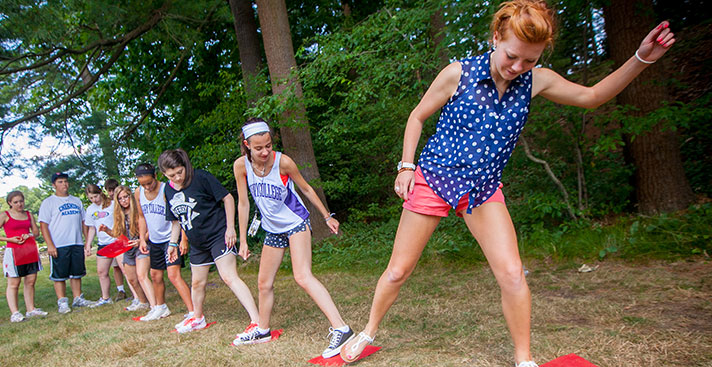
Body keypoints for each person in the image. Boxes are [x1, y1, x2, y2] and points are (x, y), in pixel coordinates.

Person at [339, 1, 676, 366]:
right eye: (512, 56)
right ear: (495, 37)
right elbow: (417, 116)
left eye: (529, 60)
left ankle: (524, 359)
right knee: (399, 270)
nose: (518, 67)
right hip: (435, 178)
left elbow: (592, 97)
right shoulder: (458, 73)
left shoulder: (537, 81)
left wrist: (642, 58)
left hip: (483, 189)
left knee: (513, 273)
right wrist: (406, 167)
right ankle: (368, 331)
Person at [231, 119, 352, 357]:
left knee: (302, 276)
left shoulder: (282, 162)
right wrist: (243, 240)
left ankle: (342, 328)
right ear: (246, 145)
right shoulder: (241, 166)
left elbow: (306, 188)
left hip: (296, 223)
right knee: (263, 283)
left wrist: (327, 216)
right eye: (258, 148)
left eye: (268, 145)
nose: (265, 151)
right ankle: (263, 330)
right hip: (272, 228)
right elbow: (243, 203)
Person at [158, 148, 259, 333]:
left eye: (180, 172)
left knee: (229, 277)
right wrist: (173, 243)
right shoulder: (168, 189)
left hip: (218, 235)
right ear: (164, 174)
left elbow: (228, 199)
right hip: (197, 243)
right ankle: (197, 318)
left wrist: (230, 228)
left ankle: (257, 321)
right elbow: (176, 221)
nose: (177, 178)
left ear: (185, 166)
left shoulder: (201, 177)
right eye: (171, 175)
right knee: (197, 283)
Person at [134, 163, 194, 323]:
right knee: (155, 275)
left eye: (149, 183)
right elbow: (141, 217)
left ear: (155, 176)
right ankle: (160, 307)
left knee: (174, 276)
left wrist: (184, 239)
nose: (146, 187)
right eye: (143, 184)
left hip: (171, 239)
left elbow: (180, 215)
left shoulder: (166, 189)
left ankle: (193, 310)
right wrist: (142, 238)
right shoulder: (138, 193)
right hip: (155, 241)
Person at [39, 172, 95, 313]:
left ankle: (78, 298)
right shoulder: (49, 202)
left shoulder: (76, 201)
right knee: (60, 275)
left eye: (65, 181)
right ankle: (62, 301)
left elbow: (84, 222)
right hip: (59, 244)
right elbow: (43, 225)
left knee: (76, 273)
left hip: (76, 242)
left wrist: (87, 241)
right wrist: (50, 244)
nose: (64, 184)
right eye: (60, 182)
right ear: (54, 185)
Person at [100, 186, 156, 315]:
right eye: (120, 198)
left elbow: (150, 230)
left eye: (126, 197)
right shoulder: (119, 215)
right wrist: (107, 230)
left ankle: (155, 306)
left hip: (142, 246)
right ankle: (143, 302)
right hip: (128, 249)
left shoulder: (139, 211)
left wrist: (141, 240)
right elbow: (118, 234)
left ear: (130, 196)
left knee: (142, 276)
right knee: (131, 279)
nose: (124, 200)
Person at [0, 190, 47, 322]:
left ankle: (31, 309)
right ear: (10, 203)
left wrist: (29, 235)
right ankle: (15, 313)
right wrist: (10, 239)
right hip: (14, 252)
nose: (19, 204)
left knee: (30, 281)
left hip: (30, 251)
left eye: (21, 201)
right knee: (14, 283)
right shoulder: (4, 215)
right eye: (15, 202)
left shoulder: (28, 214)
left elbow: (36, 232)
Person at [83, 184, 117, 307]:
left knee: (125, 270)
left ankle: (137, 296)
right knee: (102, 272)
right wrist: (88, 244)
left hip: (116, 241)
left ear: (100, 193)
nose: (94, 200)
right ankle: (106, 298)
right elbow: (92, 228)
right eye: (91, 198)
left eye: (96, 196)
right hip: (103, 243)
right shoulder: (90, 209)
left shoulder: (112, 205)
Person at [103, 178, 130, 302]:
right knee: (116, 267)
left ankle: (136, 293)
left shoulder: (124, 204)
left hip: (125, 240)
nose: (112, 193)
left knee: (127, 267)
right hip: (113, 240)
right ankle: (121, 290)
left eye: (114, 190)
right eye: (109, 191)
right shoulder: (108, 205)